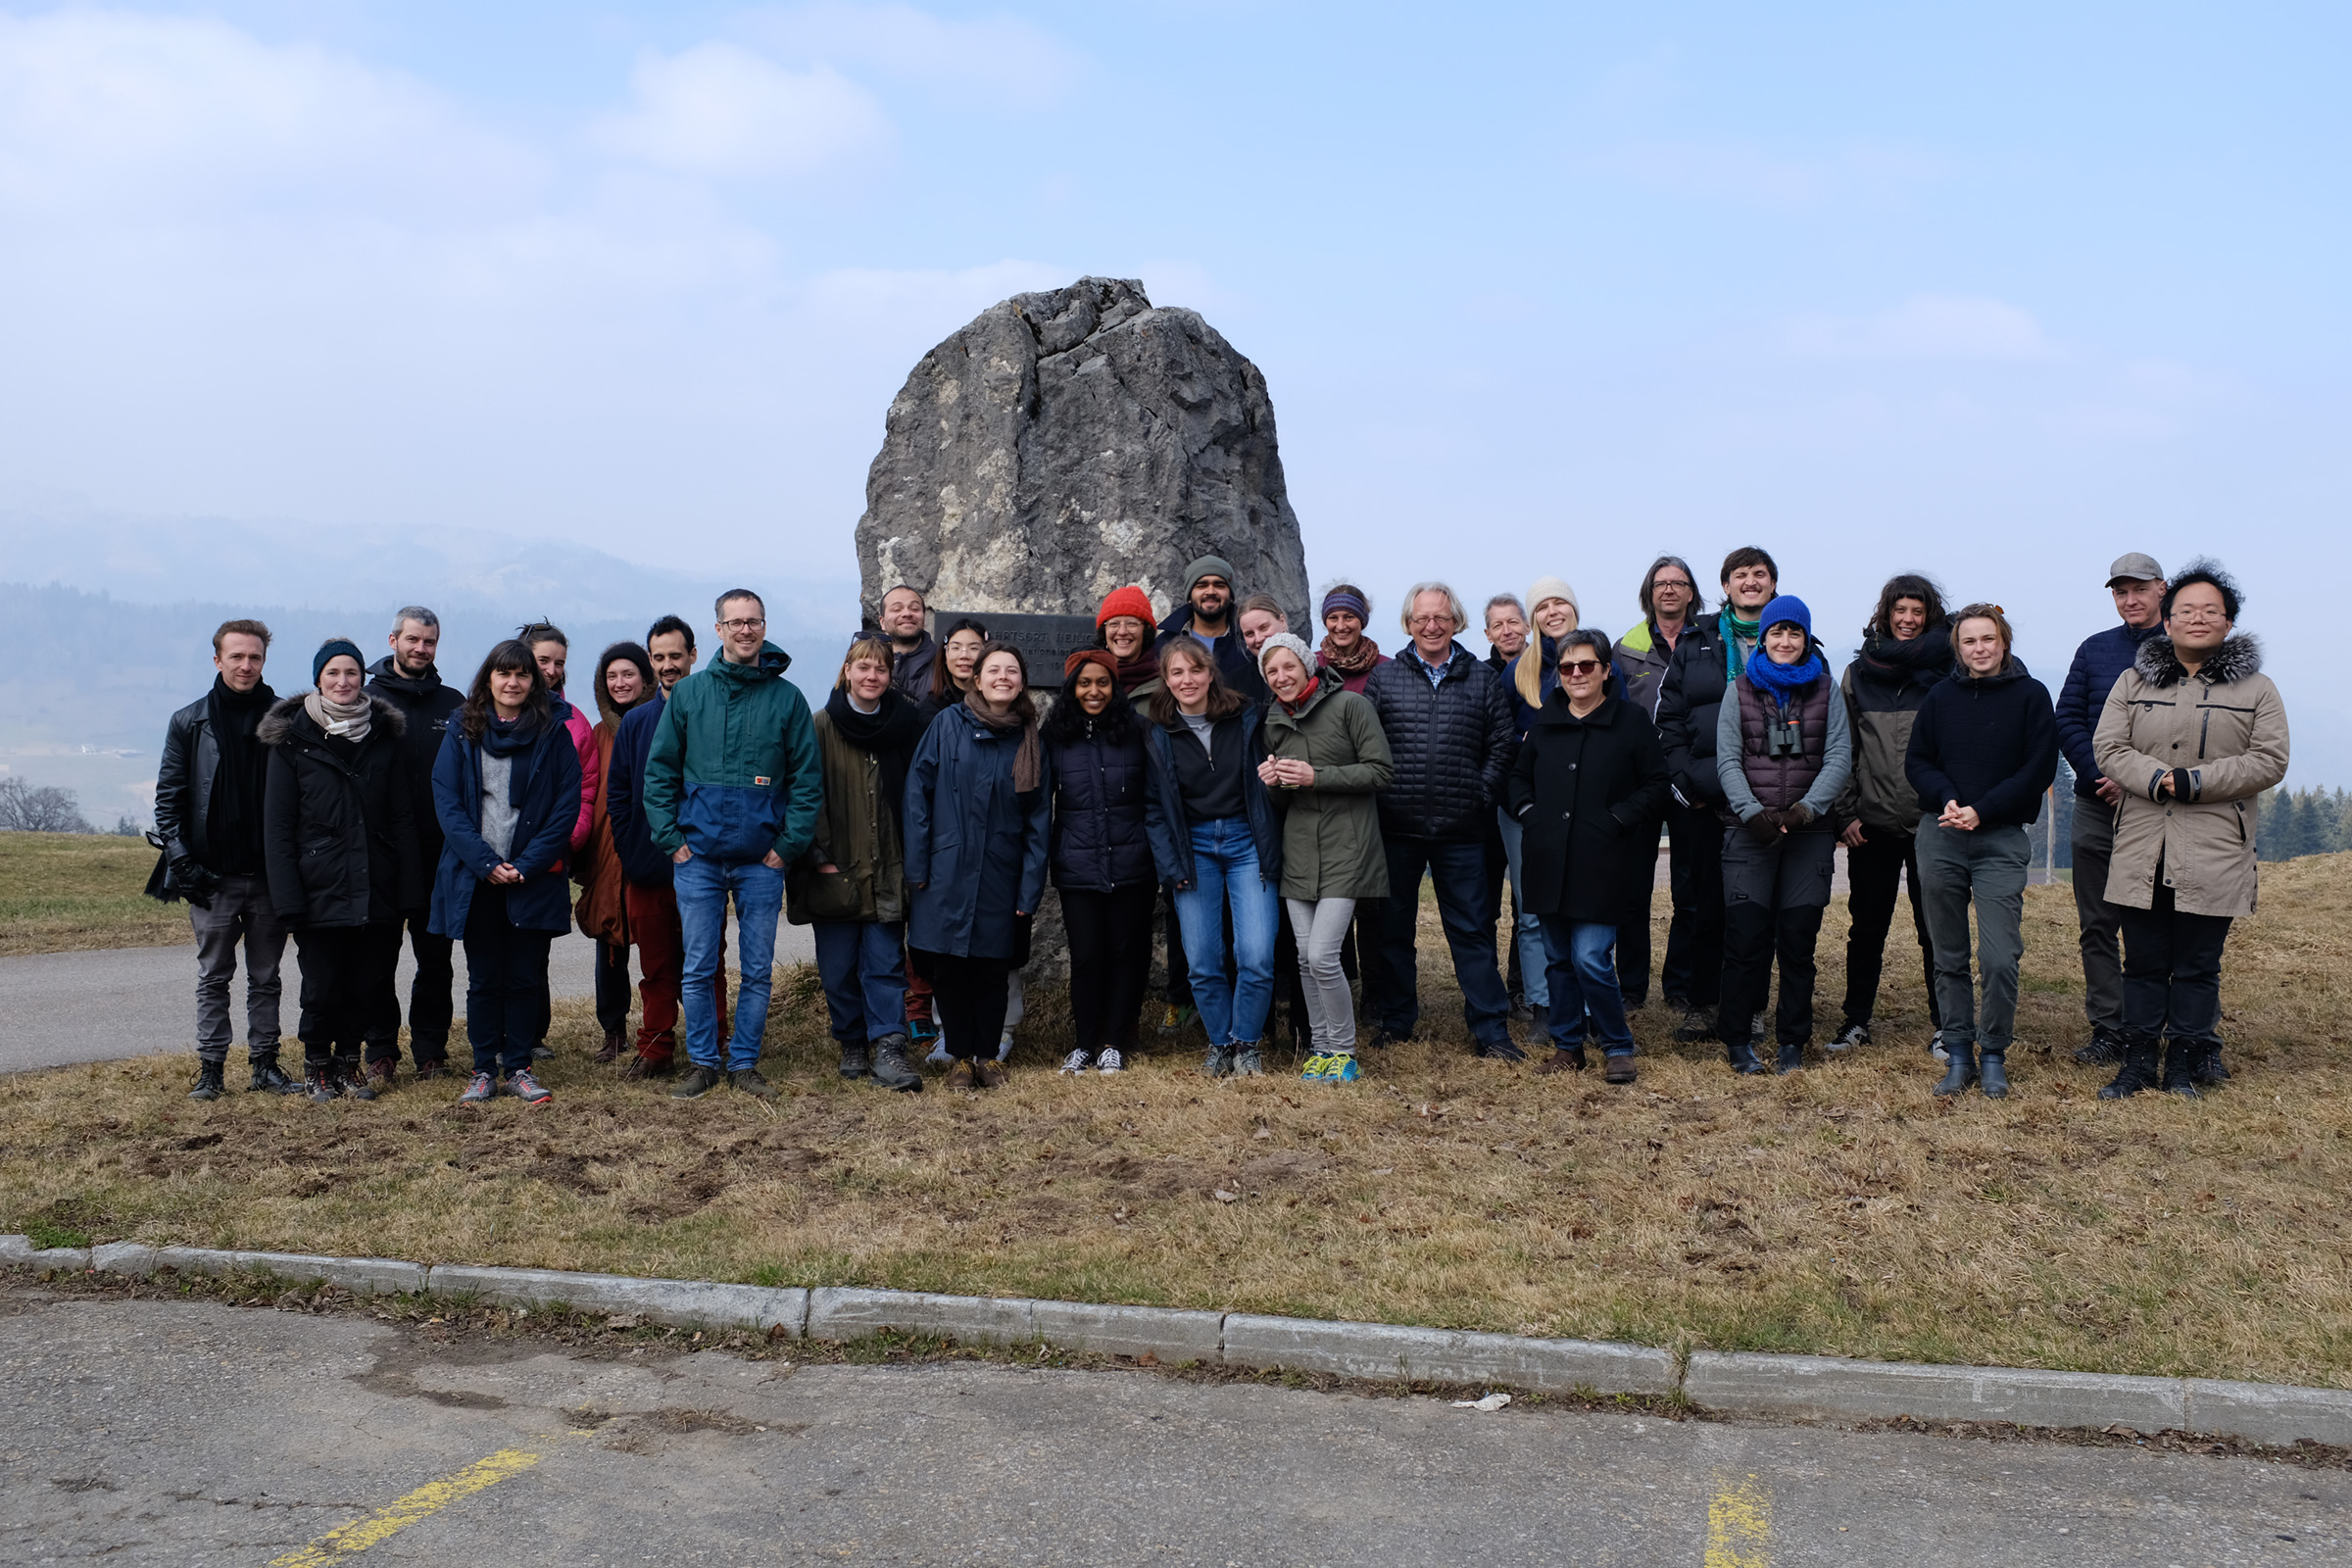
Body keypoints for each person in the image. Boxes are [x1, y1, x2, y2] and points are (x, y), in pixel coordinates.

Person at [2093, 561, 2288, 1099]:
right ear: (2168, 619)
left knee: (2199, 963)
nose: (2197, 619)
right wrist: (2157, 778)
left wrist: (2194, 781)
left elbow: (2269, 760)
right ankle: (2136, 1062)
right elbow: (2108, 747)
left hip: (2215, 844)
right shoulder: (2133, 680)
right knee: (2145, 961)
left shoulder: (2257, 688)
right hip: (2142, 841)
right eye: (2186, 610)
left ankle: (2184, 1060)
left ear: (2228, 623)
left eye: (2211, 611)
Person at [643, 590, 821, 1102]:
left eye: (754, 621)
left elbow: (807, 783)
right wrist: (671, 840)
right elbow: (659, 775)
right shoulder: (690, 695)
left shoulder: (787, 699)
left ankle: (743, 1062)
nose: (746, 630)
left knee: (759, 968)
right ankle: (703, 1062)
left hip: (762, 861)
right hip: (696, 857)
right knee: (698, 966)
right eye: (735, 622)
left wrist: (787, 847)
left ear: (764, 627)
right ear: (718, 630)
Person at [1360, 582, 1521, 1058]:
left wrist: (1480, 793)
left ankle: (1490, 1030)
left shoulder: (1481, 678)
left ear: (1457, 622)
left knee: (1472, 931)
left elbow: (1502, 744)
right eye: (1422, 618)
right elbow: (1366, 744)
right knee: (1393, 932)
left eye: (1442, 618)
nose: (1432, 626)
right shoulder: (1385, 679)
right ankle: (1396, 1021)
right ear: (1408, 623)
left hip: (1463, 831)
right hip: (1396, 828)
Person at [1907, 606, 2059, 1098]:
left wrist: (1983, 808)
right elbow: (1917, 761)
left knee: (1999, 955)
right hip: (1941, 833)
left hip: (1999, 837)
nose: (1979, 648)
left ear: (2003, 642)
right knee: (1947, 952)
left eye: (1988, 639)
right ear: (1958, 646)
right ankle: (1957, 1052)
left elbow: (2038, 768)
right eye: (1969, 641)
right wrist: (1947, 798)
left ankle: (1993, 1052)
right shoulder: (1940, 697)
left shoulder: (2030, 696)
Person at [260, 639, 421, 1102]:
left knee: (366, 982)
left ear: (363, 678)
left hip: (376, 884)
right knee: (322, 985)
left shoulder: (384, 738)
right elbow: (279, 826)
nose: (343, 681)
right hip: (319, 887)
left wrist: (408, 887)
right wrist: (288, 898)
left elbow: (402, 818)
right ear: (318, 679)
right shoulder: (292, 740)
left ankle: (350, 1064)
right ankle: (316, 1066)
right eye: (333, 673)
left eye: (351, 672)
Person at [1508, 628, 1670, 1083]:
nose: (1576, 674)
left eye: (1586, 666)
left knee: (1591, 958)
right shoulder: (1545, 721)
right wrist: (1530, 814)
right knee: (1558, 959)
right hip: (1549, 859)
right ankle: (1568, 1046)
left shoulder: (1632, 721)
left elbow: (1657, 784)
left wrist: (1618, 819)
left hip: (1604, 862)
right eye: (1566, 667)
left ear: (1605, 671)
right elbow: (1517, 778)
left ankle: (1617, 1045)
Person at [429, 640, 580, 1106]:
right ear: (489, 678)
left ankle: (518, 1067)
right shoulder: (462, 728)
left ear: (534, 683)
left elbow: (566, 804)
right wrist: (487, 864)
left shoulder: (552, 731)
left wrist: (526, 865)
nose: (512, 683)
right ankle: (482, 1069)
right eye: (504, 674)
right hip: (476, 877)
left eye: (522, 675)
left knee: (522, 978)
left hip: (530, 877)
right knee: (483, 978)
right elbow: (447, 801)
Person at [157, 618, 297, 1100]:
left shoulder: (287, 719)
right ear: (217, 660)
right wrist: (182, 862)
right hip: (210, 876)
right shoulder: (188, 721)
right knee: (214, 976)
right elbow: (169, 800)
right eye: (236, 656)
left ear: (264, 661)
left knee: (266, 977)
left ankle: (265, 1065)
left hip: (268, 875)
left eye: (254, 657)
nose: (246, 665)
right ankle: (211, 1070)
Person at [1711, 594, 1851, 1073]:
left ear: (1806, 638)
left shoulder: (1827, 689)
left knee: (1797, 941)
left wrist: (1805, 811)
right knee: (1745, 941)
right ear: (1763, 638)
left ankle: (1793, 1039)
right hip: (1750, 832)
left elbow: (1839, 757)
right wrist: (1752, 813)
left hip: (1808, 832)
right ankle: (1737, 1039)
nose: (1785, 641)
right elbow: (1728, 758)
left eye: (1794, 632)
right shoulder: (1741, 690)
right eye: (1776, 632)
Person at [905, 641, 1051, 1089]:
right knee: (949, 970)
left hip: (1001, 873)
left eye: (1011, 670)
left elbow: (1038, 822)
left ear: (1022, 681)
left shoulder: (1029, 738)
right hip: (944, 871)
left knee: (993, 969)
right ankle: (960, 1057)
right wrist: (918, 868)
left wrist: (1029, 891)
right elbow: (917, 796)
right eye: (994, 670)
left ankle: (989, 1056)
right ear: (977, 677)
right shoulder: (948, 725)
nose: (1002, 677)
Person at [789, 637, 926, 1092]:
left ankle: (889, 1045)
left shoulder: (906, 725)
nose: (872, 677)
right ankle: (851, 1040)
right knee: (838, 968)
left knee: (886, 964)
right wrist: (819, 858)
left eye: (881, 670)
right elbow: (803, 796)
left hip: (889, 866)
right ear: (847, 671)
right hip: (836, 869)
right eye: (863, 667)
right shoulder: (820, 726)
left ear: (890, 677)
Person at [1657, 546, 1781, 1043]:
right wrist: (1688, 782)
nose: (1750, 582)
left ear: (1772, 584)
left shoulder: (1794, 641)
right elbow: (1668, 721)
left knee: (1755, 911)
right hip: (1707, 798)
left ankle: (1749, 1005)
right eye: (1739, 575)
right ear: (1725, 586)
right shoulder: (1697, 643)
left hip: (1768, 801)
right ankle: (1704, 1005)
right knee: (1705, 906)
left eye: (1759, 574)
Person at [1144, 638, 1283, 1076]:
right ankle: (1221, 1043)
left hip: (1247, 843)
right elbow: (1153, 809)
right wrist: (1172, 865)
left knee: (1256, 954)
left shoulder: (1246, 717)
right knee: (1202, 960)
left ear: (1210, 673)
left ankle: (1247, 1043)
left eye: (1195, 671)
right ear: (1166, 681)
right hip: (1194, 847)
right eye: (1177, 673)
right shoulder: (1157, 732)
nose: (1187, 680)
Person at [1256, 633, 1392, 1083]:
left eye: (1288, 666)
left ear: (1307, 664)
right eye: (1272, 671)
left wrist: (1318, 776)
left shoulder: (1352, 707)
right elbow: (1282, 805)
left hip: (1346, 846)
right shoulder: (1274, 721)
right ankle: (1321, 1049)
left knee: (1322, 956)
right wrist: (1273, 784)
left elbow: (1380, 771)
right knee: (1302, 957)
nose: (1281, 677)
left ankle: (1344, 1051)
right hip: (1298, 849)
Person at [2055, 553, 2170, 1067]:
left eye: (2139, 589)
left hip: (2159, 809)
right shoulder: (2094, 649)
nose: (2130, 599)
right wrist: (2098, 774)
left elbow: (2185, 733)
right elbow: (2068, 719)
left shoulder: (2185, 649)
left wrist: (2140, 781)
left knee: (2155, 919)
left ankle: (2156, 1023)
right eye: (2120, 591)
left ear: (2162, 589)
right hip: (2096, 801)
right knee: (2097, 921)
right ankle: (2109, 1027)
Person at [1832, 576, 1952, 1056]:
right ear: (1885, 613)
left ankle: (1947, 1024)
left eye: (1917, 611)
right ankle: (1855, 1021)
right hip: (1872, 825)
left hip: (1932, 824)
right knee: (1866, 928)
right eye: (1899, 610)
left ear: (1930, 616)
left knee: (1936, 928)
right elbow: (1844, 748)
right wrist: (1845, 815)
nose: (1907, 619)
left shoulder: (1949, 670)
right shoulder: (1858, 672)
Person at [605, 614, 728, 1078]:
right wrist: (630, 848)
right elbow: (619, 793)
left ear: (694, 655)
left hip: (705, 861)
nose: (668, 665)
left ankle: (712, 1043)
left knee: (706, 962)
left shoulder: (716, 712)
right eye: (659, 657)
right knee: (655, 965)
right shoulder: (636, 721)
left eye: (676, 655)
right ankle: (655, 1047)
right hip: (648, 866)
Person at [1046, 648, 1156, 1074]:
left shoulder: (1140, 731)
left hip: (1132, 863)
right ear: (1072, 688)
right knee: (1087, 955)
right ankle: (1084, 1042)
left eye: (1103, 682)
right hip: (1078, 866)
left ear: (1116, 686)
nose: (1094, 691)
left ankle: (1115, 1040)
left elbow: (1156, 797)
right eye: (1085, 683)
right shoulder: (1055, 735)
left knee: (1125, 953)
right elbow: (1041, 805)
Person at [365, 607, 463, 1081]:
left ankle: (431, 1051)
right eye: (412, 640)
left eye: (429, 641)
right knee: (378, 962)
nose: (421, 648)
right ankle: (380, 1050)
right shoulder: (366, 701)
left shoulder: (454, 704)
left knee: (436, 963)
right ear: (393, 640)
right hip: (381, 857)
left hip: (439, 857)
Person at [1613, 557, 1703, 1015]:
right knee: (1632, 890)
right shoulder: (1625, 647)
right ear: (1649, 592)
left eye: (1678, 583)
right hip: (1638, 783)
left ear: (1691, 592)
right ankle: (1630, 986)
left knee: (1691, 888)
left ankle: (1681, 985)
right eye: (1660, 583)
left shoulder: (1709, 640)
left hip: (1691, 780)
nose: (1669, 590)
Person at [1499, 577, 1583, 1036]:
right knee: (1531, 910)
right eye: (1543, 606)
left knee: (1584, 903)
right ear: (1533, 618)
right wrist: (1528, 743)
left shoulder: (1595, 659)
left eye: (1561, 603)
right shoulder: (1518, 672)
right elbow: (1497, 735)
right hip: (1527, 808)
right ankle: (1542, 1005)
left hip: (1585, 804)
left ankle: (1586, 1003)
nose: (1553, 611)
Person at [519, 620, 600, 1060]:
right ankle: (494, 1035)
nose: (551, 670)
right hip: (500, 855)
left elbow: (586, 789)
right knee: (496, 951)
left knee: (536, 952)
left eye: (559, 663)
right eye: (542, 660)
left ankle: (533, 1035)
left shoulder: (574, 723)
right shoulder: (491, 714)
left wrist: (570, 837)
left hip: (551, 854)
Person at [574, 643, 655, 1062]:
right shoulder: (597, 733)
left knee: (663, 944)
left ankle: (661, 1029)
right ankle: (614, 1031)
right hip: (605, 850)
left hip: (651, 847)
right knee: (609, 943)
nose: (620, 683)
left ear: (646, 678)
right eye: (612, 676)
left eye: (628, 674)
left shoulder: (663, 724)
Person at [1481, 594, 1530, 1011]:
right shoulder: (1478, 676)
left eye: (1513, 622)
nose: (1507, 631)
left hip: (1526, 802)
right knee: (1484, 904)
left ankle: (1521, 985)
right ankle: (1487, 988)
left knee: (1526, 904)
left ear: (1528, 626)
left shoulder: (1546, 672)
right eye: (1498, 625)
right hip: (1486, 804)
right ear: (1487, 633)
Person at [1156, 554, 1268, 700]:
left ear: (1231, 596)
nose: (1210, 592)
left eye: (1219, 585)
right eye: (1201, 585)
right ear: (1189, 596)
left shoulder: (1250, 642)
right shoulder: (1164, 643)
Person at [1314, 583, 1389, 694]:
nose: (1340, 626)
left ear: (1362, 622)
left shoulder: (1387, 669)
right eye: (1333, 618)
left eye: (1349, 617)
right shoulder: (1311, 665)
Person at [1095, 587, 1163, 704]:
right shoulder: (1089, 678)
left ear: (1145, 630)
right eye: (1114, 624)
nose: (1122, 632)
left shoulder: (1166, 684)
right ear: (1104, 630)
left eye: (1132, 624)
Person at [878, 584, 936, 698]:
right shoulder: (869, 662)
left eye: (914, 609)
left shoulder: (943, 666)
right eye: (896, 609)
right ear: (882, 622)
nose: (907, 614)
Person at [1238, 594, 1290, 658]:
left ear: (1282, 622)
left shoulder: (1304, 665)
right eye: (1250, 634)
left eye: (1264, 628)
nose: (1258, 639)